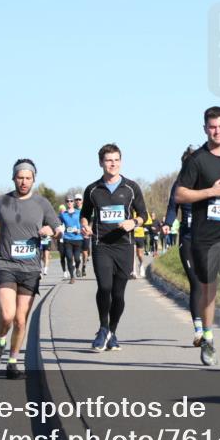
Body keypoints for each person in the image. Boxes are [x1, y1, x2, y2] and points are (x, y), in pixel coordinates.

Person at [175, 107, 220, 368]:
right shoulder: (196, 160)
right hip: (203, 238)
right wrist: (210, 191)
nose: (216, 131)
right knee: (209, 291)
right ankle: (207, 339)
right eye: (212, 127)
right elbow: (180, 195)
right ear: (205, 128)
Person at [0, 159, 63, 379]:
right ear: (13, 178)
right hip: (6, 263)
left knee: (21, 319)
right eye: (20, 177)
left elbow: (58, 228)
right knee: (7, 315)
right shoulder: (2, 201)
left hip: (30, 268)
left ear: (34, 179)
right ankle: (0, 342)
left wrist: (51, 231)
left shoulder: (42, 203)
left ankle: (13, 361)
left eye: (28, 178)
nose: (23, 182)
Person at [79, 144, 147, 352]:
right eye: (109, 160)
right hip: (101, 245)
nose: (113, 164)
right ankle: (102, 328)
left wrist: (133, 223)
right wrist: (83, 225)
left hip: (124, 246)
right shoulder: (92, 190)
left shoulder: (131, 188)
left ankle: (112, 332)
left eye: (116, 159)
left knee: (118, 294)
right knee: (105, 287)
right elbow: (85, 214)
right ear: (101, 163)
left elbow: (144, 215)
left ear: (121, 161)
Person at [165, 146, 204, 346]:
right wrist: (166, 224)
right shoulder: (179, 186)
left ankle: (206, 325)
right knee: (196, 283)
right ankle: (199, 331)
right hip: (187, 240)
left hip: (208, 240)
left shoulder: (208, 184)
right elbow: (172, 209)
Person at [59, 201, 84, 282]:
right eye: (67, 201)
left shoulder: (79, 212)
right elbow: (57, 224)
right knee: (69, 258)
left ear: (73, 203)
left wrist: (80, 230)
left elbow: (84, 222)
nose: (69, 202)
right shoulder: (63, 214)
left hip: (78, 238)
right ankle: (72, 277)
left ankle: (77, 268)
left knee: (77, 259)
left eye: (71, 201)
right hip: (67, 239)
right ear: (66, 203)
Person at [75, 194, 89, 277]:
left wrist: (88, 229)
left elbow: (91, 220)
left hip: (85, 233)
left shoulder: (86, 210)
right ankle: (77, 268)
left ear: (82, 201)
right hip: (75, 234)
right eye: (76, 199)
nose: (78, 201)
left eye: (79, 199)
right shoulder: (72, 210)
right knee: (76, 253)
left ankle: (84, 266)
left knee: (84, 252)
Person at [132, 209, 146, 279]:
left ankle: (141, 265)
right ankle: (134, 272)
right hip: (133, 236)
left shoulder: (142, 212)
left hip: (140, 236)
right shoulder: (130, 212)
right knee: (133, 254)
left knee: (140, 255)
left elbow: (148, 223)